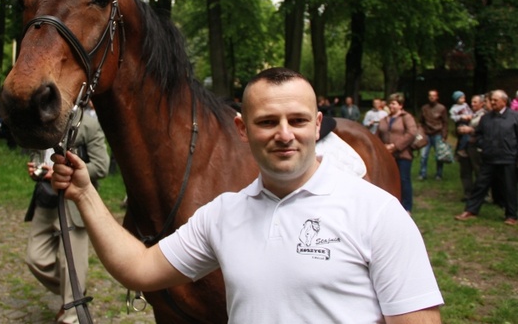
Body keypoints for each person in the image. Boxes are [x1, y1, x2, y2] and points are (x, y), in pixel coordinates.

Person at [52, 68, 443, 323]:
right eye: (268, 122)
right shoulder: (221, 215)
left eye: (298, 120)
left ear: (317, 124)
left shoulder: (378, 213)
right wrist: (85, 194)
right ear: (242, 129)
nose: (285, 134)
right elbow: (139, 267)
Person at [24, 111, 110, 323]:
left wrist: (64, 173)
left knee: (73, 267)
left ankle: (72, 313)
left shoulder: (88, 124)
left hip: (74, 202)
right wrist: (36, 168)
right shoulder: (42, 119)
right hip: (46, 199)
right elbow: (39, 154)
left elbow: (101, 166)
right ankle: (75, 291)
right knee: (35, 259)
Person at [455, 90, 518, 226]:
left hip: (508, 158)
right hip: (489, 158)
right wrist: (483, 144)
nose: (493, 102)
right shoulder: (486, 118)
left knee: (509, 187)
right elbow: (478, 135)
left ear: (504, 101)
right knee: (480, 185)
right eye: (492, 100)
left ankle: (511, 215)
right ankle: (470, 210)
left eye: (496, 100)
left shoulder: (514, 117)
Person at [377, 93, 418, 213]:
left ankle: (406, 207)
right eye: (390, 103)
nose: (391, 106)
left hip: (402, 154)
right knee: (387, 180)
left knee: (403, 179)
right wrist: (381, 147)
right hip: (386, 155)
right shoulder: (384, 119)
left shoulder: (407, 117)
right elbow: (377, 135)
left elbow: (411, 133)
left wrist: (395, 146)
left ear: (400, 105)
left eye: (394, 103)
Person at [455, 94, 486, 202]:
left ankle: (482, 195)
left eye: (475, 102)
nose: (472, 104)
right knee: (465, 171)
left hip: (476, 146)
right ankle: (468, 193)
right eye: (472, 102)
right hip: (465, 145)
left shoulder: (484, 115)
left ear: (482, 104)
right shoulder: (470, 114)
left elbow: (483, 130)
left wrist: (470, 130)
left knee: (478, 170)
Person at [418, 90, 448, 181]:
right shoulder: (424, 108)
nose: (432, 97)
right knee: (423, 155)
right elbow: (421, 121)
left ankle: (439, 174)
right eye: (430, 96)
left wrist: (444, 135)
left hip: (437, 134)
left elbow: (445, 122)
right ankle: (422, 174)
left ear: (437, 97)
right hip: (426, 134)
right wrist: (421, 132)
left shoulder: (441, 108)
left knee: (439, 155)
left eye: (434, 96)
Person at [449, 91, 473, 157]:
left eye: (464, 98)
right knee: (465, 136)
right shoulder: (454, 108)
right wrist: (461, 117)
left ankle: (459, 151)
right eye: (461, 98)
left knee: (466, 136)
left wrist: (470, 115)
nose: (463, 99)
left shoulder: (465, 105)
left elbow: (470, 111)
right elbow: (452, 117)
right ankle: (461, 149)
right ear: (456, 99)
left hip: (468, 122)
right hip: (460, 123)